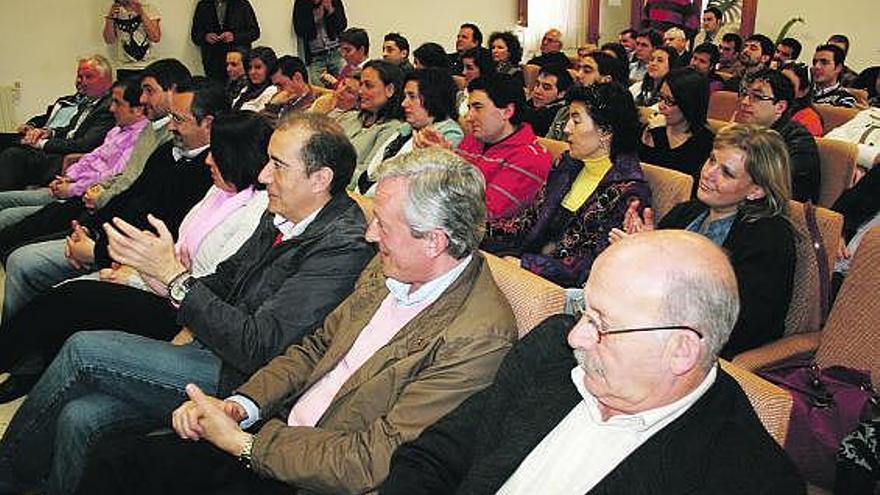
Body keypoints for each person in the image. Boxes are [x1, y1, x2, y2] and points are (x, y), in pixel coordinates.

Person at [73, 147, 518, 495]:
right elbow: (312, 348)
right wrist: (240, 407)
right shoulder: (392, 268)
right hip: (277, 432)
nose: (369, 235)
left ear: (434, 241)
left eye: (382, 225)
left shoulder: (478, 337)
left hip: (312, 474)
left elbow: (374, 458)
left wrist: (245, 445)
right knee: (116, 457)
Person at [0, 112, 375, 495]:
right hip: (212, 351)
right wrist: (163, 279)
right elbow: (225, 281)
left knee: (83, 350)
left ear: (320, 179)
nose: (263, 176)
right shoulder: (285, 214)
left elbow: (260, 347)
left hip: (246, 381)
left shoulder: (341, 246)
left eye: (277, 165)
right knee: (81, 416)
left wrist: (177, 281)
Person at [381, 229, 805, 494]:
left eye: (602, 325)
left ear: (681, 350)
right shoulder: (551, 352)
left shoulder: (749, 479)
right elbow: (432, 457)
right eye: (585, 311)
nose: (575, 336)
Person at [0, 110, 272, 403]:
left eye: (216, 153)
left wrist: (137, 275)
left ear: (237, 156)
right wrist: (132, 265)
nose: (208, 159)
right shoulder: (219, 189)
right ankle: (40, 378)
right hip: (165, 286)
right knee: (64, 301)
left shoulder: (255, 210)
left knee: (69, 299)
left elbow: (213, 285)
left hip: (185, 315)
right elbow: (174, 246)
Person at [1, 77, 221, 320]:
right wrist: (87, 227)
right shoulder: (168, 151)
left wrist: (97, 252)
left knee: (30, 270)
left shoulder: (212, 173)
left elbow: (166, 232)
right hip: (105, 239)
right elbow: (128, 195)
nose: (171, 127)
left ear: (208, 124)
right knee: (21, 258)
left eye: (178, 119)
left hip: (131, 262)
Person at [613, 123, 796, 359]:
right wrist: (643, 249)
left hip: (702, 352)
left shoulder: (770, 239)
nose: (708, 173)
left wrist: (655, 261)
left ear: (756, 191)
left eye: (726, 173)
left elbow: (736, 324)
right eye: (711, 160)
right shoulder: (688, 212)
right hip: (652, 327)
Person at [0, 59, 187, 271]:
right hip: (92, 197)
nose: (111, 108)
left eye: (149, 91)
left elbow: (128, 184)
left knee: (21, 252)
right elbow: (97, 159)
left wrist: (83, 192)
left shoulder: (162, 138)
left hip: (102, 207)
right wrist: (72, 178)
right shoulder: (137, 130)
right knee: (19, 232)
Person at [483, 82, 651, 288]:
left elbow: (593, 262)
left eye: (576, 120)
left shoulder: (629, 191)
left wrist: (527, 265)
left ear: (606, 131)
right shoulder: (568, 165)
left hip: (562, 289)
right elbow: (529, 219)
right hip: (526, 268)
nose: (566, 128)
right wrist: (477, 228)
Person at [0, 78, 149, 232]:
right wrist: (68, 177)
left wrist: (72, 188)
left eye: (117, 103)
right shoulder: (117, 130)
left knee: (7, 217)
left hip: (82, 198)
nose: (111, 108)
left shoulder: (141, 139)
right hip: (72, 186)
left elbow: (112, 177)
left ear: (137, 109)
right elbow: (91, 156)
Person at [421, 73, 552, 223]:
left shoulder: (530, 158)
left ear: (507, 111)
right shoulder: (474, 140)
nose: (469, 117)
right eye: (469, 107)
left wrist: (446, 164)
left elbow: (483, 214)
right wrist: (437, 159)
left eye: (478, 107)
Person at [0, 55, 114, 191]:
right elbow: (68, 129)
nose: (82, 82)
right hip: (58, 150)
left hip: (68, 159)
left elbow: (84, 144)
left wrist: (41, 143)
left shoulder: (109, 107)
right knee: (10, 146)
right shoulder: (88, 103)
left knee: (13, 155)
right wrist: (48, 132)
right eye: (80, 77)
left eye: (88, 77)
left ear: (107, 80)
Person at [357, 67, 462, 194]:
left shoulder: (448, 136)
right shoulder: (405, 130)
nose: (404, 103)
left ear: (433, 98)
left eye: (412, 96)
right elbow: (372, 172)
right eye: (405, 96)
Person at [735, 68, 821, 203]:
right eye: (745, 94)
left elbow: (771, 185)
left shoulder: (799, 141)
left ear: (780, 107)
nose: (745, 102)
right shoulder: (745, 130)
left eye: (757, 97)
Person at [334, 60, 404, 189]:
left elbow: (368, 176)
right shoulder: (350, 117)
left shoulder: (393, 129)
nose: (360, 91)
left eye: (368, 86)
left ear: (390, 90)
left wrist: (329, 168)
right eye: (361, 85)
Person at [639, 67, 714, 181]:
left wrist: (659, 134)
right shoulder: (649, 127)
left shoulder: (705, 143)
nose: (661, 105)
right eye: (661, 97)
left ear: (688, 104)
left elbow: (668, 179)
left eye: (669, 101)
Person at [191, 0, 260, 82]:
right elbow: (195, 35)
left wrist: (234, 37)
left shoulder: (242, 4)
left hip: (238, 61)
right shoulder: (203, 5)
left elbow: (255, 32)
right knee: (215, 92)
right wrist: (205, 37)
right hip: (213, 63)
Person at [102, 0, 161, 79]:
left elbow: (155, 37)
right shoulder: (114, 9)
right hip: (124, 68)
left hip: (148, 66)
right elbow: (109, 40)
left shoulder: (148, 8)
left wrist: (141, 13)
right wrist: (110, 18)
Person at [292, 0, 347, 85]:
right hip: (316, 57)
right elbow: (300, 31)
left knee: (346, 84)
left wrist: (330, 10)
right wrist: (315, 19)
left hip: (336, 51)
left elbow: (342, 25)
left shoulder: (333, 1)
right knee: (319, 91)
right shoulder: (301, 3)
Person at [261, 55, 315, 126]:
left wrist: (272, 107)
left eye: (281, 85)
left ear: (297, 78)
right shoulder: (282, 100)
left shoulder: (313, 105)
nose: (279, 91)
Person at [523, 64, 574, 137]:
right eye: (537, 84)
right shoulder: (529, 103)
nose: (537, 91)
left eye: (546, 88)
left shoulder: (560, 113)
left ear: (561, 94)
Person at [781, 62, 824, 136]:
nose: (779, 87)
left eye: (789, 84)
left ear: (803, 92)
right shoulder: (767, 104)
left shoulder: (810, 120)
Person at [231, 46, 279, 112]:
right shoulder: (245, 89)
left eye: (258, 67)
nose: (252, 72)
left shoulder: (272, 91)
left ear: (269, 69)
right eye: (250, 68)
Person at [811, 44, 857, 108]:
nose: (817, 67)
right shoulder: (803, 91)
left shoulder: (845, 98)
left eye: (824, 63)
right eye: (814, 62)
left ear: (838, 68)